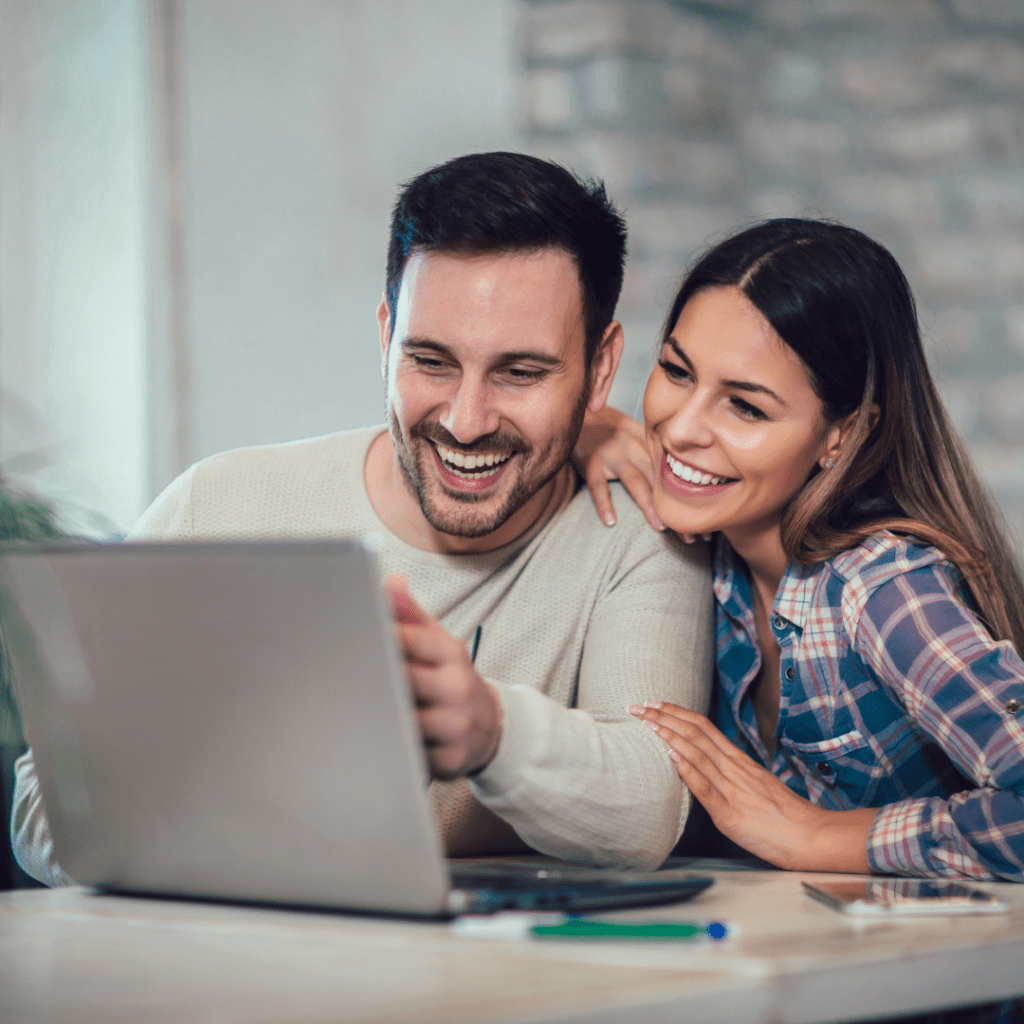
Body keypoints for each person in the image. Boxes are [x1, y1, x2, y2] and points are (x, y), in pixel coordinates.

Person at [10, 151, 712, 887]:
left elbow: (648, 807)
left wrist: (491, 732)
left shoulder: (639, 530)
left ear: (600, 369)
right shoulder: (216, 506)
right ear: (386, 335)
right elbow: (41, 812)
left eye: (520, 373)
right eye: (431, 362)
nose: (466, 421)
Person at [582, 217, 1024, 882]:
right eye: (676, 371)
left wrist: (822, 836)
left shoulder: (882, 590)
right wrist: (586, 432)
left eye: (746, 408)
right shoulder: (711, 549)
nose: (681, 427)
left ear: (841, 436)